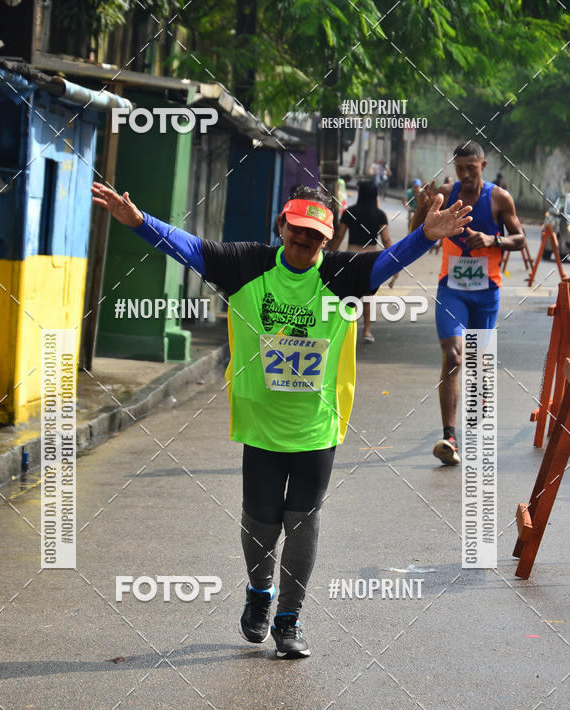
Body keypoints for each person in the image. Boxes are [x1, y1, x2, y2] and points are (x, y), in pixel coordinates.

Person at [91, 180, 471, 658]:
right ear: (281, 226)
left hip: (316, 422)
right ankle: (259, 592)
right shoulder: (246, 265)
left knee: (303, 520)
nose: (304, 240)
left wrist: (427, 235)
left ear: (328, 238)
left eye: (315, 234)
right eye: (297, 229)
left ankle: (289, 620)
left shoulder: (342, 274)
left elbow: (390, 261)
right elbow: (188, 247)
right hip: (261, 421)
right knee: (261, 520)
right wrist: (139, 222)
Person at [411, 141, 524, 465]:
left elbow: (519, 239)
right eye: (460, 169)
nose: (466, 175)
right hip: (452, 289)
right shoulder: (446, 194)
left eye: (471, 168)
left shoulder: (499, 198)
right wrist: (422, 208)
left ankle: (478, 420)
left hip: (486, 292)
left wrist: (493, 239)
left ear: (483, 166)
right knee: (453, 355)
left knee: (476, 361)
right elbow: (417, 234)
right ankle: (449, 437)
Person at [329, 180, 393, 342]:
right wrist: (395, 262)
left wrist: (329, 254)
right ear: (375, 195)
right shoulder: (380, 214)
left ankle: (343, 331)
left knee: (347, 294)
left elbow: (339, 235)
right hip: (371, 258)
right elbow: (386, 240)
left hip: (351, 255)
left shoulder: (349, 212)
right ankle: (367, 331)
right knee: (368, 295)